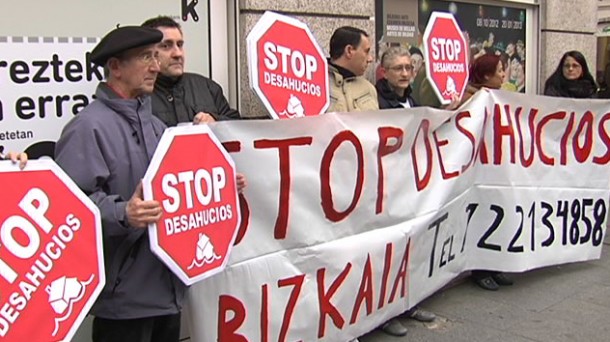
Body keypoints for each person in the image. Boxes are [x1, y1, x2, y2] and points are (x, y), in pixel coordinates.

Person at [55, 25, 247, 342]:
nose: (155, 66)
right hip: (125, 299)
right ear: (115, 67)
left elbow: (177, 185)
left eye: (154, 56)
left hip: (167, 287)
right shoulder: (87, 128)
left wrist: (221, 185)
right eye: (146, 57)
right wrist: (123, 213)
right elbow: (68, 209)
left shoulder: (156, 126)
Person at [374, 46, 438, 337]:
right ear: (384, 72)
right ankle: (386, 312)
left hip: (412, 186)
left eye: (408, 68)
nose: (404, 73)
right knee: (388, 251)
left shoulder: (413, 99)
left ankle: (408, 302)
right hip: (385, 189)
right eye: (398, 68)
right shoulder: (376, 101)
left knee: (411, 245)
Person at [459, 53, 514, 291]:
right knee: (481, 218)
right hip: (477, 170)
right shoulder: (471, 100)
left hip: (496, 168)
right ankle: (480, 269)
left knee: (497, 214)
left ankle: (493, 264)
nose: (503, 74)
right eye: (500, 70)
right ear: (485, 75)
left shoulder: (499, 97)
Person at [142, 16, 240, 126]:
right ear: (147, 52)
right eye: (166, 46)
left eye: (180, 45)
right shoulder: (138, 94)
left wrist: (215, 122)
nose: (178, 54)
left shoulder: (206, 87)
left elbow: (236, 126)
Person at [327, 26, 378, 113]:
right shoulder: (317, 86)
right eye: (366, 51)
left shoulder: (368, 88)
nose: (370, 59)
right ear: (349, 51)